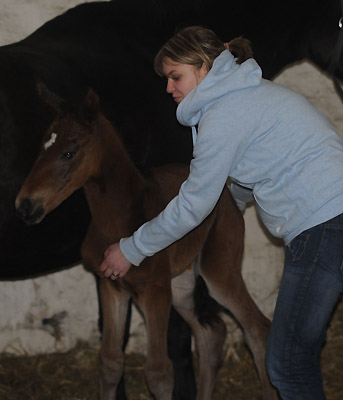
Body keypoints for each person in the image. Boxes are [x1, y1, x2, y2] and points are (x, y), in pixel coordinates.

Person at [99, 25, 343, 399]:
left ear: (205, 66)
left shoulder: (224, 114)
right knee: (296, 356)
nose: (169, 88)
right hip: (330, 220)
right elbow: (249, 175)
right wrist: (232, 211)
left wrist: (131, 249)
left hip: (324, 226)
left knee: (287, 363)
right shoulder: (244, 97)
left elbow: (194, 201)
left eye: (175, 76)